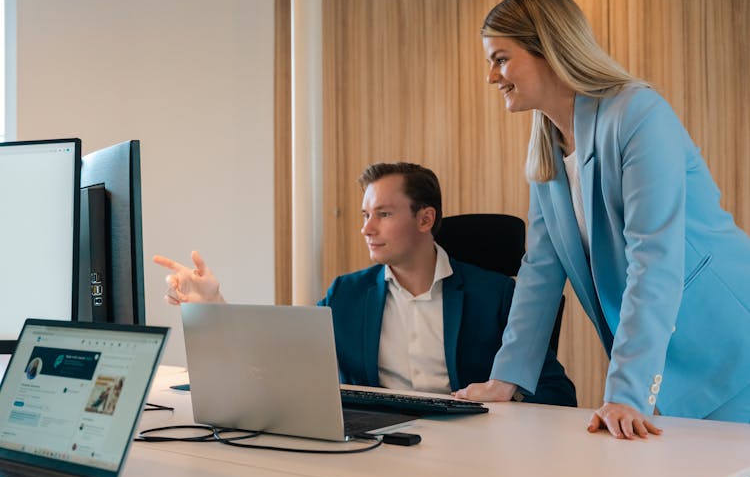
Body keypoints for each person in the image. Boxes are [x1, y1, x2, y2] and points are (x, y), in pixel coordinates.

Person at [455, 0, 750, 444]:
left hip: (726, 348)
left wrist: (627, 391)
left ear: (549, 49)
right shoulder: (547, 149)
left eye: (501, 59)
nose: (491, 76)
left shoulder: (637, 114)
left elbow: (654, 259)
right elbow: (540, 273)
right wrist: (507, 378)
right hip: (657, 362)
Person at [153, 162, 577, 406]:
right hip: (381, 444)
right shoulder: (348, 293)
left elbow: (559, 392)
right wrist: (214, 307)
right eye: (364, 215)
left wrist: (505, 401)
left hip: (475, 450)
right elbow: (279, 354)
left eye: (384, 215)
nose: (367, 229)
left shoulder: (497, 293)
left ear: (425, 219)